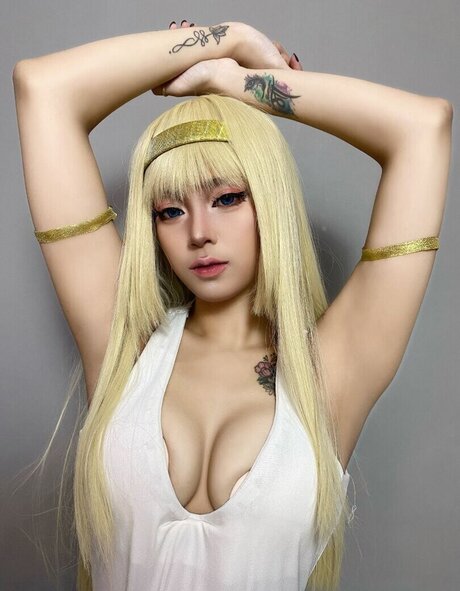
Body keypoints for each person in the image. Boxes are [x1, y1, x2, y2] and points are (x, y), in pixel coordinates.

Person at [12, 18, 452, 591]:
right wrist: (231, 37)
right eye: (170, 211)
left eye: (227, 198)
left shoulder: (332, 369)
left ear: (268, 198)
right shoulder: (124, 346)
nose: (199, 232)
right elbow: (42, 89)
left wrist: (236, 83)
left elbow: (422, 128)